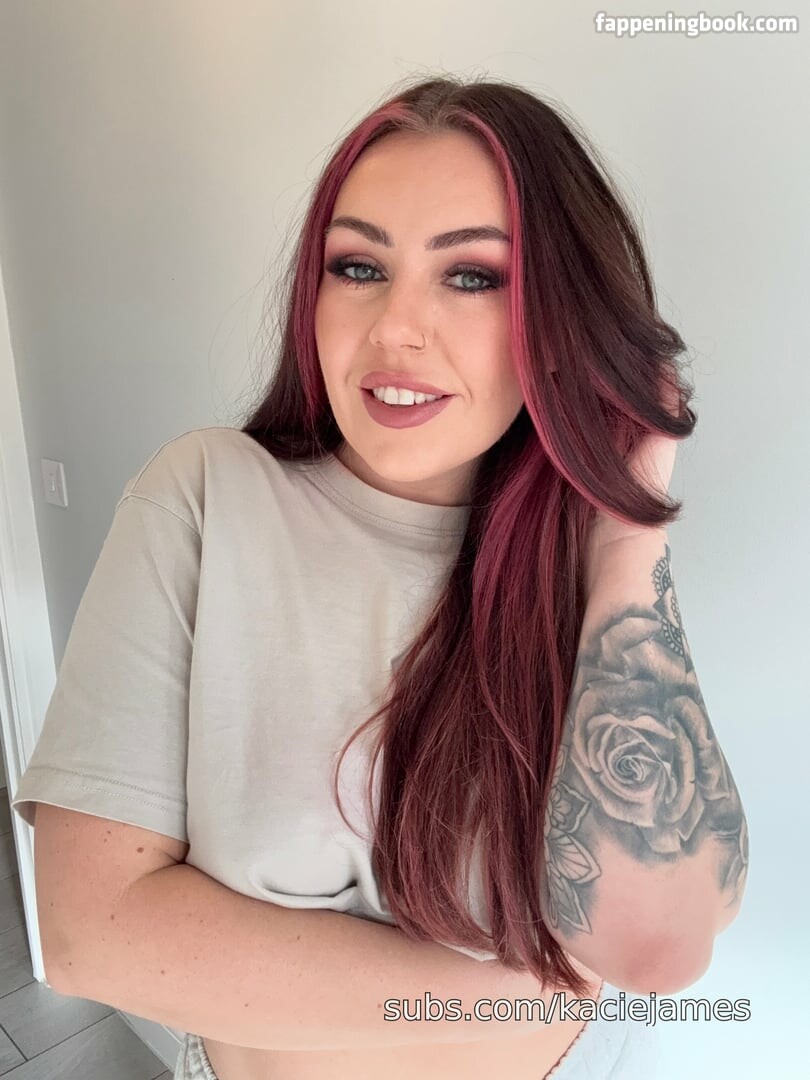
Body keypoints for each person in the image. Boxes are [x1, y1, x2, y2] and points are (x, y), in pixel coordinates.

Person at [12, 74, 747, 1080]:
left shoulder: (586, 571)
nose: (396, 328)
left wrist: (627, 535)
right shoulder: (208, 500)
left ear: (561, 322)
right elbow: (94, 931)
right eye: (357, 266)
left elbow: (656, 947)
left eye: (473, 276)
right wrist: (517, 996)